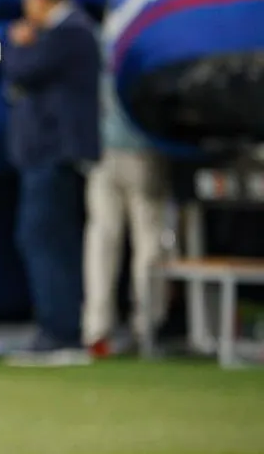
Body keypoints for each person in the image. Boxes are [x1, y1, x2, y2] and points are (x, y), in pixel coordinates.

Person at [2, 0, 101, 365]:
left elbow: (19, 70)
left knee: (46, 242)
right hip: (50, 156)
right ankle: (57, 329)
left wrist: (18, 44)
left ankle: (59, 333)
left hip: (52, 155)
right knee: (45, 240)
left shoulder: (69, 32)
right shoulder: (69, 32)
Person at [82, 69, 169, 357]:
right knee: (146, 242)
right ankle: (146, 328)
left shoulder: (105, 37)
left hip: (107, 151)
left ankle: (98, 329)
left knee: (103, 242)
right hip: (138, 151)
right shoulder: (144, 37)